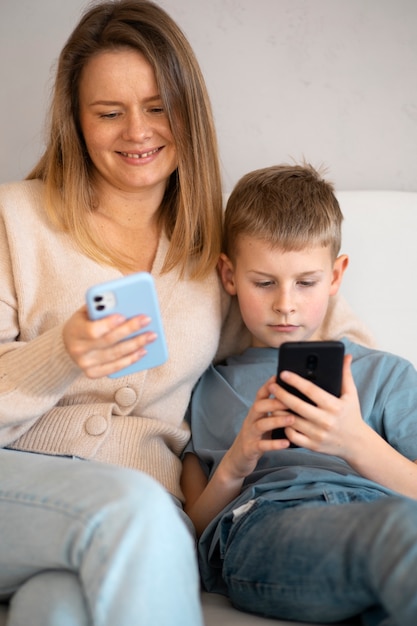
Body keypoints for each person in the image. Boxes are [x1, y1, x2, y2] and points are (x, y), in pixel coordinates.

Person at [0, 0, 373, 623]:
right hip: (26, 486)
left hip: (132, 521)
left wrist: (363, 405)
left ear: (188, 113)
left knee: (58, 608)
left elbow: (315, 319)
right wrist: (58, 355)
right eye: (109, 113)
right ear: (75, 120)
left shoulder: (214, 245)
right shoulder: (15, 220)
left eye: (157, 108)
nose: (138, 132)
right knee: (138, 511)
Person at [181, 163, 417, 626]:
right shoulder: (207, 385)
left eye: (305, 282)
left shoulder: (387, 375)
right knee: (400, 536)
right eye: (264, 282)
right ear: (228, 275)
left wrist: (355, 442)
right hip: (266, 524)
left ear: (335, 276)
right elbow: (194, 525)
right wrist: (237, 461)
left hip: (384, 515)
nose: (284, 303)